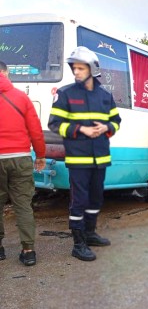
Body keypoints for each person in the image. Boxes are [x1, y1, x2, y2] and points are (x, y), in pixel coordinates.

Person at [48, 47, 121, 261]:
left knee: (96, 199)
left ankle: (90, 233)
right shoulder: (66, 93)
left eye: (81, 68)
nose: (76, 72)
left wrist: (106, 127)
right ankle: (78, 244)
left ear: (92, 69)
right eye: (74, 68)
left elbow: (116, 122)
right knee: (79, 201)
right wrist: (81, 129)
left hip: (101, 158)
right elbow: (54, 124)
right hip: (78, 160)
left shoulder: (105, 96)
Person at [0, 61, 46, 266]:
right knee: (23, 205)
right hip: (20, 157)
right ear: (6, 73)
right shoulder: (21, 97)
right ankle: (28, 251)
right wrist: (41, 155)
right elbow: (35, 130)